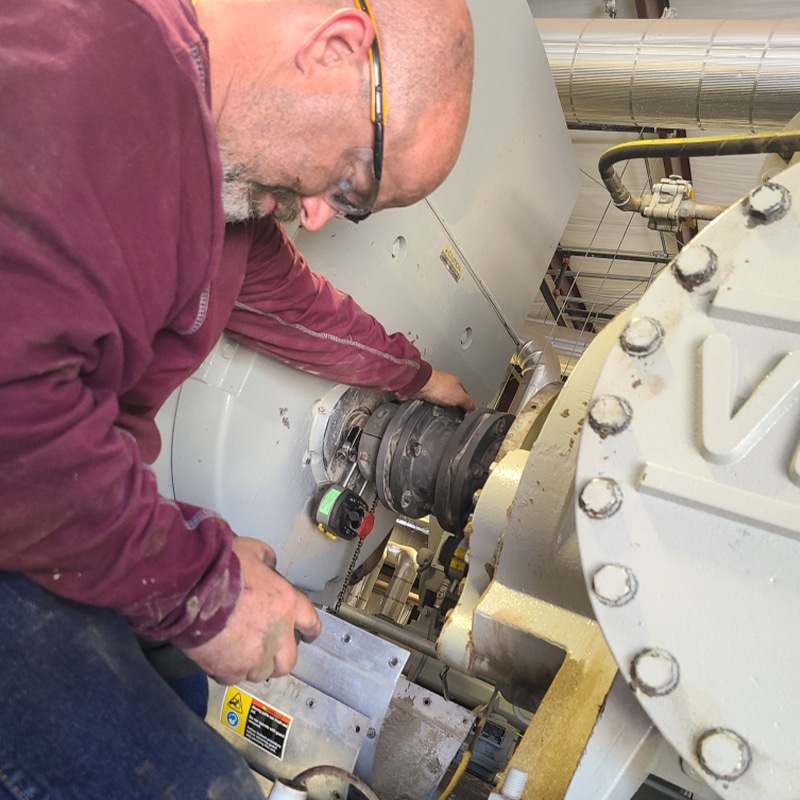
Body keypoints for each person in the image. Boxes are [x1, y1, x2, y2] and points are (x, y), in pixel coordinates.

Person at [0, 0, 475, 797]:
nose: (319, 213)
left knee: (175, 686)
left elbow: (291, 304)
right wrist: (201, 589)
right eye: (353, 179)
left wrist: (417, 379)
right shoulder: (78, 76)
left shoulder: (221, 186)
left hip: (46, 502)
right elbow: (20, 427)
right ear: (333, 49)